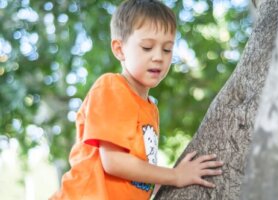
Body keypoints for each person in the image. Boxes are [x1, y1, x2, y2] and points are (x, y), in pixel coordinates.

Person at [50, 0, 223, 199]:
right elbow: (114, 162)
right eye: (147, 47)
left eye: (167, 49)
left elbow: (140, 175)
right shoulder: (112, 87)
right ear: (119, 49)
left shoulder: (150, 109)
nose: (158, 56)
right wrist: (175, 176)